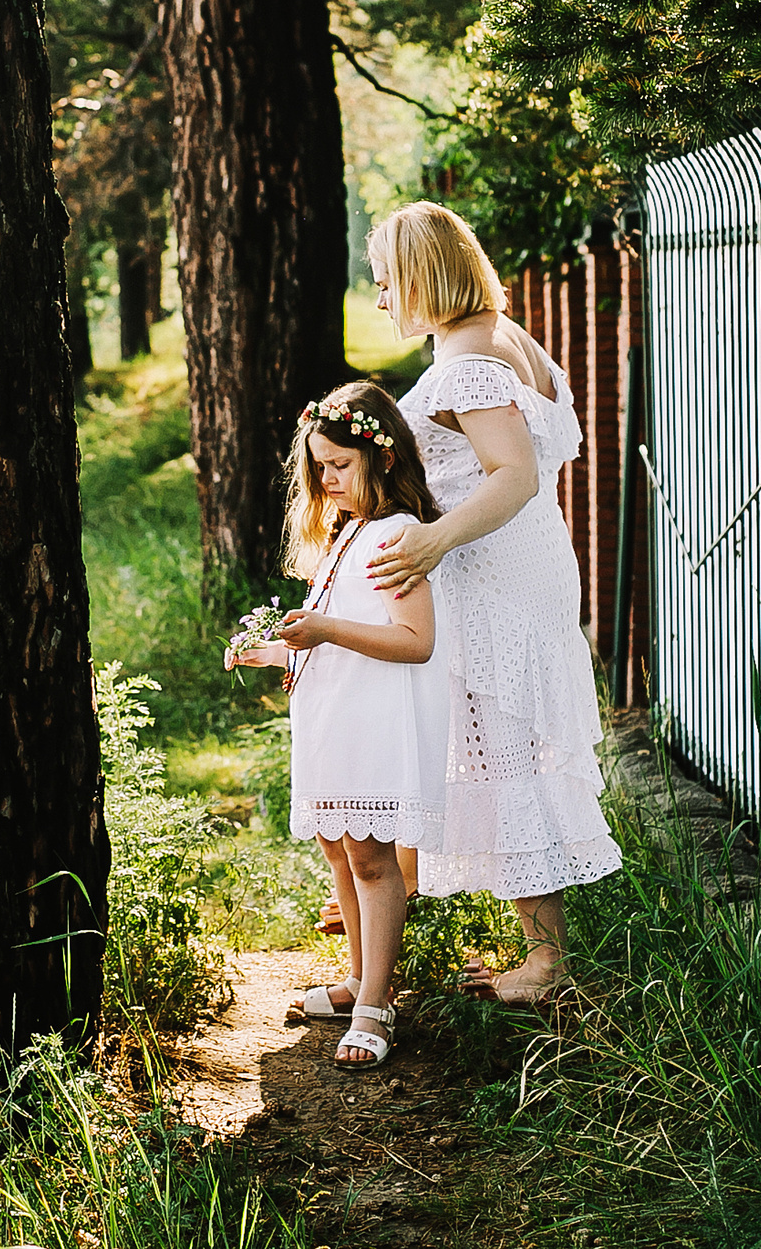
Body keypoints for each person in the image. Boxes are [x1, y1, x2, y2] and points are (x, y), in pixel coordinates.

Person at [364, 202, 621, 1006]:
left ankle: (544, 964)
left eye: (384, 283)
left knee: (505, 745)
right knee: (507, 742)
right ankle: (496, 931)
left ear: (422, 276)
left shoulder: (471, 360)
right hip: (528, 563)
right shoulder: (505, 339)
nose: (380, 301)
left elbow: (512, 473)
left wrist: (435, 542)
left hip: (496, 573)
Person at [230, 381, 447, 1067]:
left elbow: (415, 641)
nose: (326, 480)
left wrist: (322, 627)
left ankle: (378, 1007)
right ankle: (358, 978)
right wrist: (270, 649)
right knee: (338, 853)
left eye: (339, 466)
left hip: (376, 720)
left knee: (372, 860)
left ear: (382, 458)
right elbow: (328, 635)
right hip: (332, 717)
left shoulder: (398, 534)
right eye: (318, 466)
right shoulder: (346, 534)